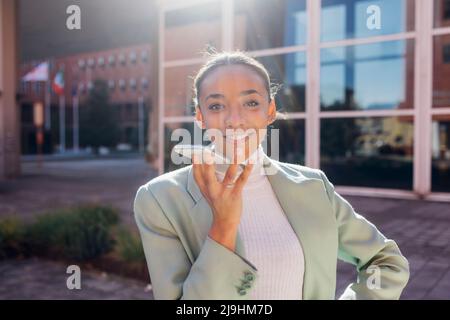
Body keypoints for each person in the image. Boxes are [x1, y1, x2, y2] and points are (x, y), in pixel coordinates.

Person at [133, 51, 410, 300]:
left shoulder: (314, 186)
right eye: (216, 106)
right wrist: (224, 227)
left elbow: (384, 260)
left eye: (251, 103)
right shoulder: (160, 199)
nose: (234, 120)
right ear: (200, 117)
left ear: (270, 111)